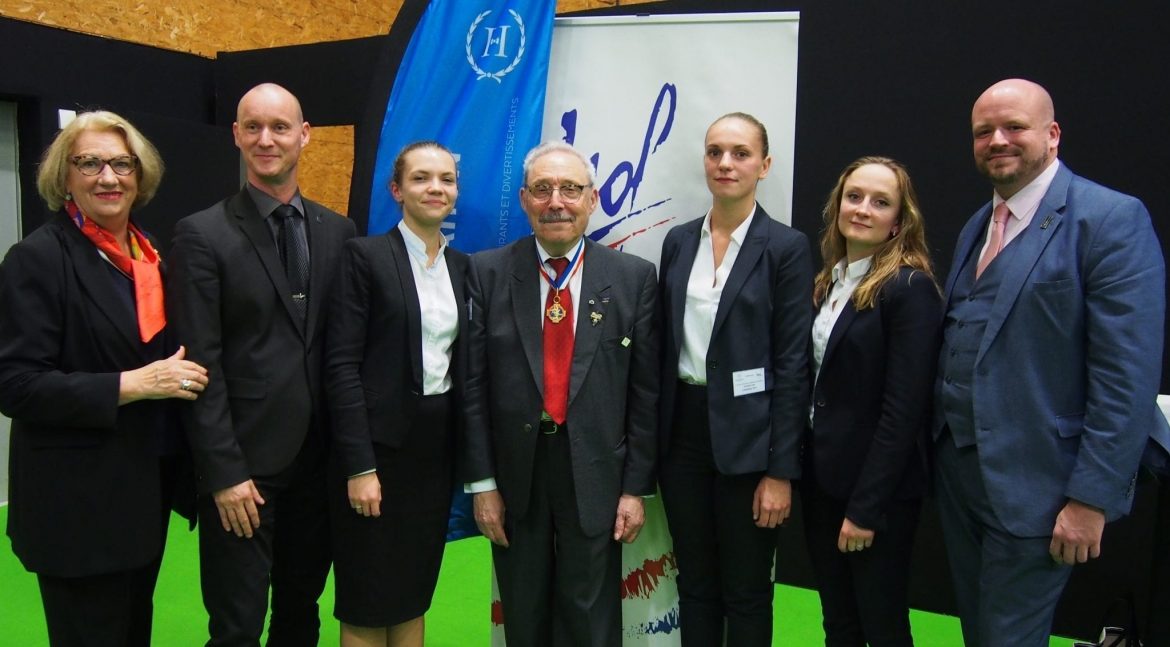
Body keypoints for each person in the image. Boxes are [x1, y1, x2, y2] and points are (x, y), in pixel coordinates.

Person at [934, 78, 1165, 646]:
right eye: (983, 131)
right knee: (978, 629)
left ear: (1052, 134)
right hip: (961, 475)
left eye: (1014, 126)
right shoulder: (977, 225)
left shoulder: (1109, 220)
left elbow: (1126, 376)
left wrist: (1092, 498)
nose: (997, 140)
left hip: (1042, 484)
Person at [0, 110, 208, 646]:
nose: (108, 177)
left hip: (142, 495)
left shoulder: (150, 257)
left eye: (121, 163)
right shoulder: (37, 260)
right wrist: (134, 384)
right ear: (63, 177)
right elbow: (17, 384)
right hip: (78, 506)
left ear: (141, 176)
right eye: (89, 163)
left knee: (133, 630)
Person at [168, 83, 356, 647]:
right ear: (236, 136)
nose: (266, 139)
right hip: (243, 471)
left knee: (300, 612)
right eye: (253, 127)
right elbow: (201, 365)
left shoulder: (337, 231)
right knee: (237, 625)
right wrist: (222, 473)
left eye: (279, 127)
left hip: (317, 467)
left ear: (304, 136)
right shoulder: (202, 234)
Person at [462, 141, 658, 647]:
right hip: (515, 474)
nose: (557, 201)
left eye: (571, 189)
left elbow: (644, 392)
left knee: (589, 616)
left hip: (596, 471)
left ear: (592, 200)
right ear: (525, 199)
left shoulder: (632, 278)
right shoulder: (485, 274)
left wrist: (635, 489)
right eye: (544, 189)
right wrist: (482, 483)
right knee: (523, 613)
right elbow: (473, 388)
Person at [657, 112, 813, 646]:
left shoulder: (786, 248)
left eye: (740, 153)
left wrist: (780, 471)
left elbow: (794, 366)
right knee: (695, 585)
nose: (726, 163)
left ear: (764, 165)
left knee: (746, 592)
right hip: (683, 438)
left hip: (751, 444)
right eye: (715, 151)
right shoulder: (678, 242)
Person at [325, 141, 467, 647]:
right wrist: (359, 467)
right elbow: (340, 367)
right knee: (367, 598)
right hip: (376, 454)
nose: (435, 188)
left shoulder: (462, 270)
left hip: (432, 458)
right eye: (421, 178)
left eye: (446, 179)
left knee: (413, 592)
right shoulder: (364, 257)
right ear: (397, 190)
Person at [804, 156, 941, 646]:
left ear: (899, 222)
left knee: (881, 625)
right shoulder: (831, 281)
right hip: (823, 484)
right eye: (854, 196)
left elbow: (903, 412)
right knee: (838, 622)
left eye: (880, 202)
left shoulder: (909, 288)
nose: (862, 209)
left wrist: (865, 508)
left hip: (874, 495)